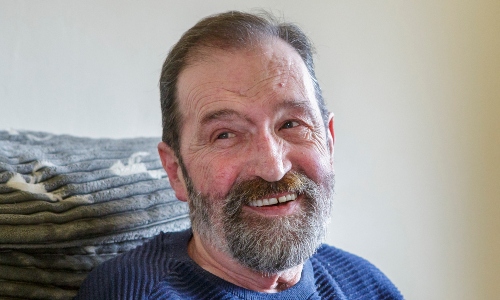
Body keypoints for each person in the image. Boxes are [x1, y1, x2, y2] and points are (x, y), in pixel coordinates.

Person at [75, 11, 403, 299]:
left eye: (291, 124)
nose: (273, 167)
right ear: (176, 173)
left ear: (329, 143)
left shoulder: (366, 284)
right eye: (226, 135)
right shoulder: (132, 292)